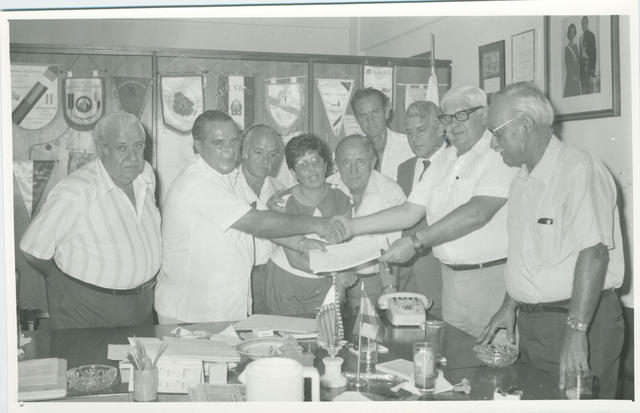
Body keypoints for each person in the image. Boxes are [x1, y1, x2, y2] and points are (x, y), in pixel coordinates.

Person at [333, 86, 519, 339]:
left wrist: (415, 242)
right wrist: (352, 226)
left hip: (489, 278)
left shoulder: (498, 154)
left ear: (484, 115)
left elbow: (477, 212)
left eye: (461, 116)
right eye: (448, 118)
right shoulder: (445, 160)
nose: (453, 125)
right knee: (454, 355)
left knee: (491, 356)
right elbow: (409, 211)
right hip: (451, 282)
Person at [479, 82, 624, 398]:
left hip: (578, 322)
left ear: (525, 127)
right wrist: (509, 304)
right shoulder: (522, 181)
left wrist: (577, 332)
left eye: (497, 133)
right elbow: (528, 254)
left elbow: (594, 254)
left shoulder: (579, 170)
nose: (492, 144)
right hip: (535, 327)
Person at [154, 111, 345, 323]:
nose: (229, 150)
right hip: (189, 309)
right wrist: (318, 225)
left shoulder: (229, 177)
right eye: (218, 143)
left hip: (224, 305)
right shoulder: (196, 182)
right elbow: (258, 223)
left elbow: (266, 219)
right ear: (198, 146)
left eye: (233, 140)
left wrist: (301, 243)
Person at [20, 112, 162, 329]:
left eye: (138, 146)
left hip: (142, 305)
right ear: (101, 149)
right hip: (88, 310)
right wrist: (64, 281)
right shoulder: (76, 190)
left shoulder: (146, 175)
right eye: (122, 148)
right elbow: (32, 249)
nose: (133, 157)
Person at [260, 134, 356, 316]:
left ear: (325, 165)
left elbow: (343, 249)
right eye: (302, 165)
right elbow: (295, 260)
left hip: (324, 283)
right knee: (286, 332)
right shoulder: (282, 202)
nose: (312, 169)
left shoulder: (341, 199)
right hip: (286, 281)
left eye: (315, 161)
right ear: (294, 173)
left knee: (324, 331)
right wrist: (336, 274)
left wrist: (340, 281)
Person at [327, 134, 406, 311]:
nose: (353, 170)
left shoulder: (391, 193)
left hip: (375, 282)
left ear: (373, 161)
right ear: (336, 164)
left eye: (361, 162)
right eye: (346, 162)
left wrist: (389, 290)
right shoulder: (327, 187)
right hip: (332, 281)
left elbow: (392, 250)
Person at [395, 101, 446, 317]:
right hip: (406, 278)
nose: (414, 138)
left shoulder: (454, 164)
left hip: (441, 276)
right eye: (409, 132)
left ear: (440, 129)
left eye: (421, 130)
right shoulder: (404, 169)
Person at [234, 124, 288, 314]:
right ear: (244, 152)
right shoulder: (228, 187)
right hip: (237, 277)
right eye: (259, 152)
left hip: (274, 276)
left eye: (272, 154)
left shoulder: (280, 190)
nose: (266, 160)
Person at [351, 87, 413, 181]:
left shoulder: (409, 147)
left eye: (375, 112)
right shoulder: (352, 153)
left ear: (386, 111)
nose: (370, 120)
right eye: (363, 115)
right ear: (357, 119)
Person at [579, 16, 597, 94]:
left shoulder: (591, 35)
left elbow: (594, 53)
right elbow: (580, 54)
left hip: (589, 66)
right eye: (582, 23)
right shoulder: (581, 37)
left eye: (585, 23)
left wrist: (593, 69)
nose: (584, 25)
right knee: (583, 89)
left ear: (588, 23)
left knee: (589, 90)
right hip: (582, 67)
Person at [564, 23, 581, 97]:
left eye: (574, 32)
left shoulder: (576, 47)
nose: (572, 34)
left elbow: (578, 62)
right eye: (571, 32)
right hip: (571, 78)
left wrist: (578, 74)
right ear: (568, 33)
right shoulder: (567, 48)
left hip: (577, 76)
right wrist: (573, 76)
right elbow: (568, 65)